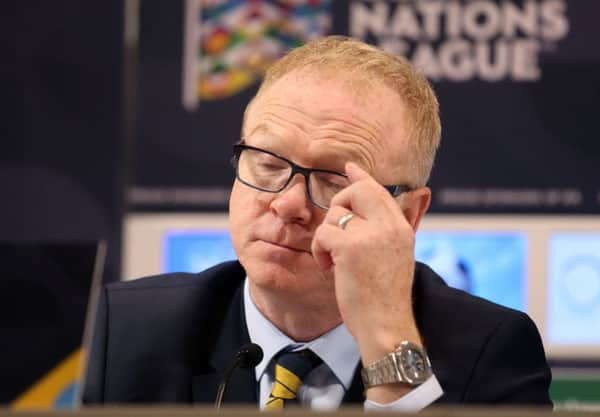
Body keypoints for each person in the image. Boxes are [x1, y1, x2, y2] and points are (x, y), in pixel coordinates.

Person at [83, 36, 551, 410]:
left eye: (331, 180)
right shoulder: (118, 332)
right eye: (267, 163)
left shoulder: (491, 354)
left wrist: (388, 345)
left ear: (407, 215)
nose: (288, 204)